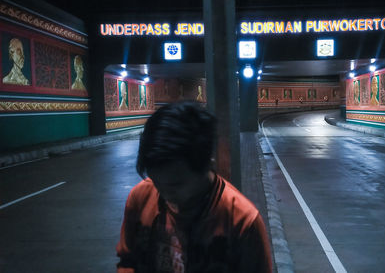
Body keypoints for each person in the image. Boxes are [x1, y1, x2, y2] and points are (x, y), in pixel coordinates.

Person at [116, 101, 272, 273]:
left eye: (176, 184)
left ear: (206, 164)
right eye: (157, 182)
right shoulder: (141, 197)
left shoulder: (242, 222)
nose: (165, 193)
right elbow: (127, 261)